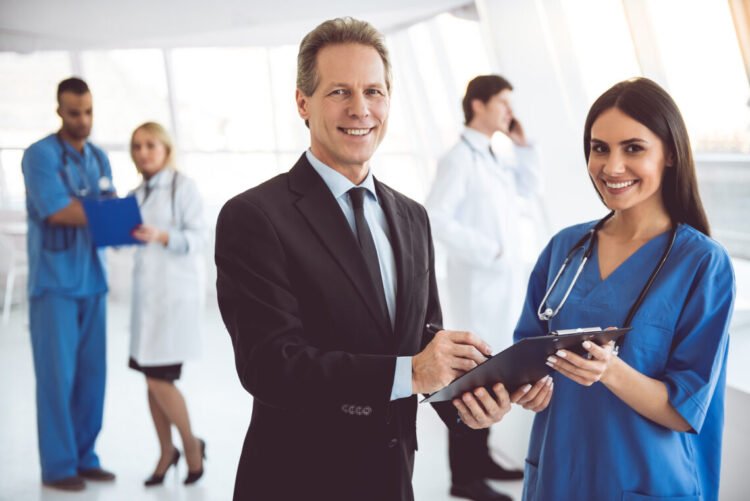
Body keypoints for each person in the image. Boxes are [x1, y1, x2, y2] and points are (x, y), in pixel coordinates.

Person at [215, 17, 542, 501]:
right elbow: (270, 365)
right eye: (339, 92)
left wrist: (477, 397)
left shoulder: (411, 217)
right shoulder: (255, 216)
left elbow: (425, 343)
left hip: (392, 478)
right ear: (302, 102)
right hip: (296, 480)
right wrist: (410, 371)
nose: (360, 109)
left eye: (374, 91)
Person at [514, 77, 735, 501]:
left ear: (670, 153)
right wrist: (526, 389)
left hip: (645, 479)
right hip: (559, 474)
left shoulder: (703, 264)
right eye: (600, 148)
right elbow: (527, 355)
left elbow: (686, 410)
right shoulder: (565, 247)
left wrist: (610, 371)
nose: (611, 167)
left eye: (633, 148)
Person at [426, 74, 541, 501]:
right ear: (477, 104)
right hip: (477, 288)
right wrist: (489, 252)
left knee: (491, 375)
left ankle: (482, 458)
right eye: (503, 103)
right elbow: (434, 216)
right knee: (470, 379)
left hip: (500, 291)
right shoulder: (458, 159)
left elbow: (530, 189)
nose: (510, 111)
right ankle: (464, 478)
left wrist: (525, 146)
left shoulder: (495, 156)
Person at [21, 77, 116, 491]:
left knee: (93, 377)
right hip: (55, 285)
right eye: (75, 113)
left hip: (92, 281)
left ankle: (85, 456)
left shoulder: (97, 157)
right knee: (57, 379)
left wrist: (99, 212)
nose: (83, 120)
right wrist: (104, 212)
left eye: (89, 111)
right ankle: (59, 467)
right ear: (60, 111)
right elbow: (57, 211)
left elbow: (111, 215)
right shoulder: (39, 156)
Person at [128, 122, 207, 486]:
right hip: (149, 300)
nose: (143, 152)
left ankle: (191, 447)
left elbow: (197, 237)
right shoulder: (137, 194)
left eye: (150, 145)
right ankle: (165, 451)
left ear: (166, 148)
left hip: (175, 299)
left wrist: (162, 236)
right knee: (150, 381)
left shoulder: (183, 187)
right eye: (137, 146)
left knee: (162, 382)